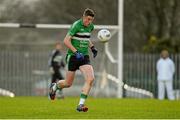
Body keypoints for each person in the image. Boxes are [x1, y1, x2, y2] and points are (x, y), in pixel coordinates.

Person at [49, 8, 98, 112]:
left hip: (84, 56)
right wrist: (76, 52)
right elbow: (66, 40)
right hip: (73, 57)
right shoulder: (76, 25)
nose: (89, 22)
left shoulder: (90, 27)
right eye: (88, 19)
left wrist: (92, 47)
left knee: (90, 79)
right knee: (68, 83)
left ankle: (80, 105)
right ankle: (55, 86)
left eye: (91, 20)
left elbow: (86, 37)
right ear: (83, 17)